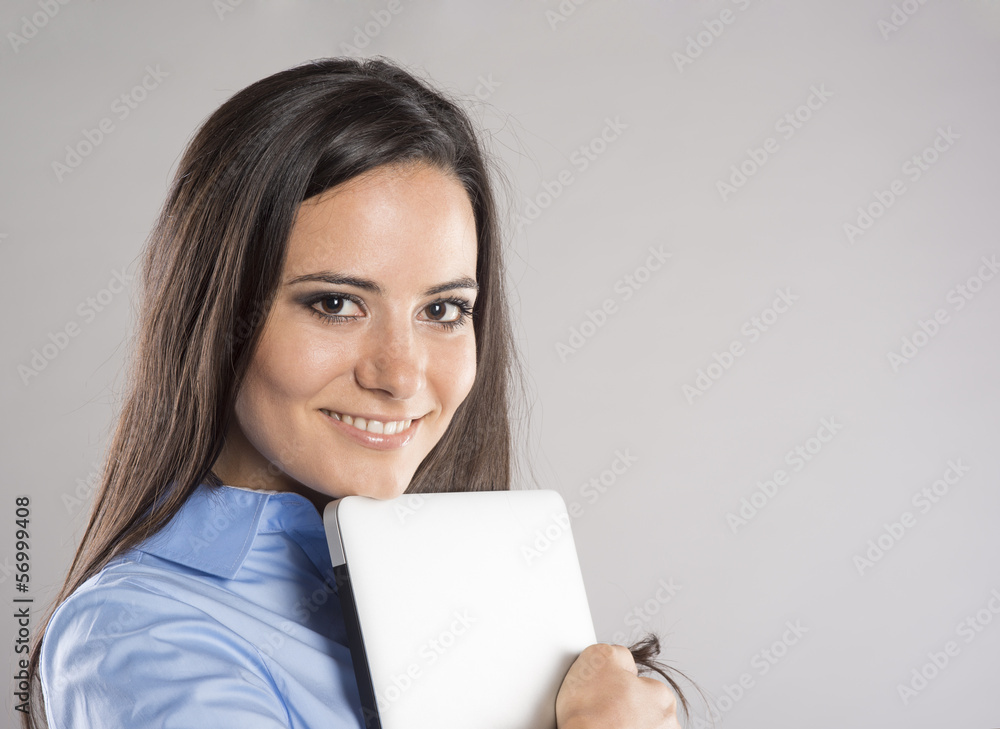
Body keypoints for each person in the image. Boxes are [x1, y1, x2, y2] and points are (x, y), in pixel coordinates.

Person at [24, 56, 691, 729]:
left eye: (443, 310)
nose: (400, 376)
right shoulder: (136, 637)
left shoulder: (480, 592)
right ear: (216, 314)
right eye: (336, 303)